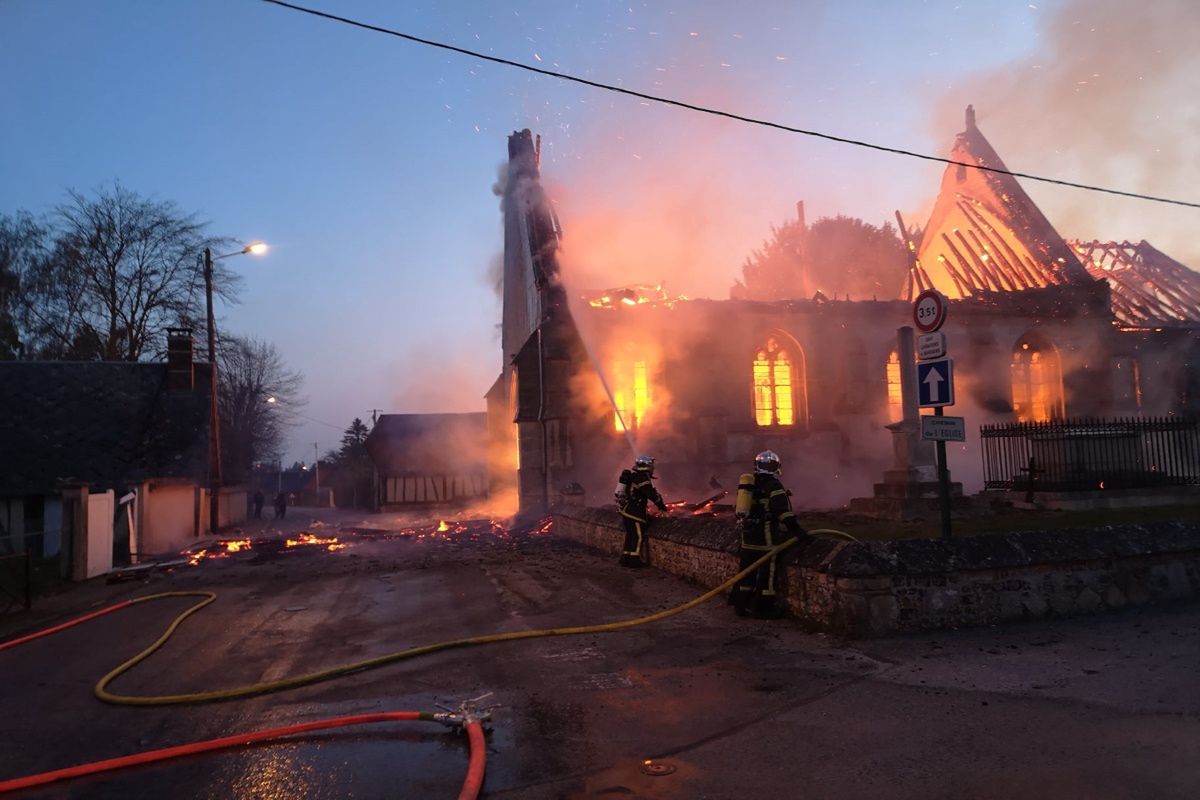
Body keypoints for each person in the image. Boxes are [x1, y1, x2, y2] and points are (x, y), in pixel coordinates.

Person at [731, 450, 812, 618]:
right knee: (767, 576)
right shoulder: (774, 485)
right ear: (777, 467)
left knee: (746, 573)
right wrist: (799, 532)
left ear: (756, 466)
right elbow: (783, 513)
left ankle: (740, 605)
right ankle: (763, 609)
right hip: (766, 540)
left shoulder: (750, 484)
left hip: (747, 538)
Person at [616, 454, 669, 568]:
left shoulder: (636, 476)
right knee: (638, 536)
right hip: (635, 513)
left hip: (627, 511)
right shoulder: (642, 478)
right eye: (651, 465)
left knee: (630, 535)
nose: (653, 468)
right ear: (646, 466)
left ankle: (626, 559)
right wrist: (661, 506)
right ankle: (634, 561)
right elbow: (651, 494)